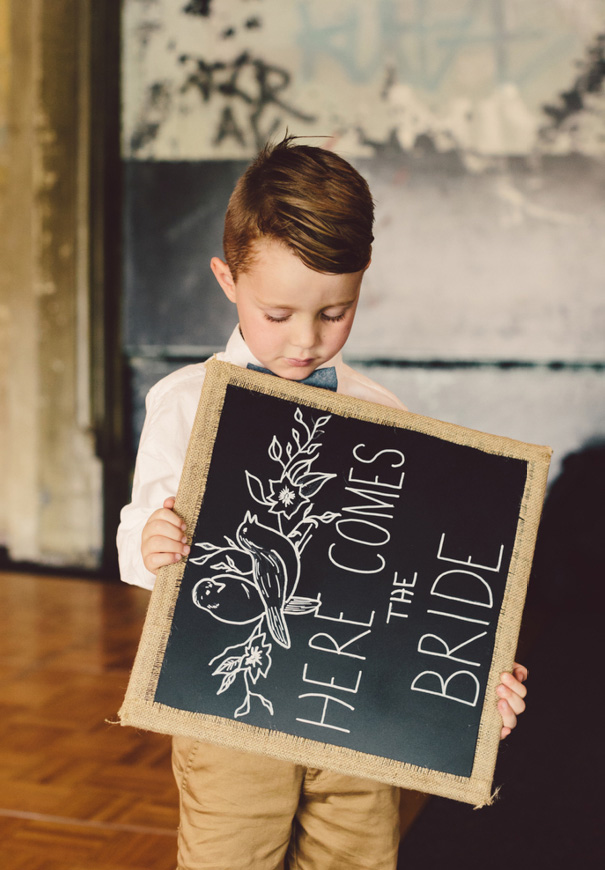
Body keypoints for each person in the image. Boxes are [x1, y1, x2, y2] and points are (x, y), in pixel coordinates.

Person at [117, 137, 528, 870]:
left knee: (357, 859)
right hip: (231, 712)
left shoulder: (380, 410)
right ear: (225, 279)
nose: (305, 341)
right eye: (277, 314)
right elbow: (136, 541)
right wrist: (152, 542)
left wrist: (474, 668)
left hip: (356, 712)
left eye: (334, 313)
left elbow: (422, 574)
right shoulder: (186, 403)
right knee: (228, 858)